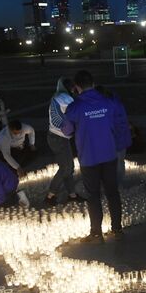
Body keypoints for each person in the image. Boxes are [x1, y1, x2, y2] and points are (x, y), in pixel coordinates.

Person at [62, 69, 127, 244]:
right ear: (93, 82)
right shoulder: (108, 101)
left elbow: (66, 131)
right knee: (113, 192)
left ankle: (96, 233)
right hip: (109, 154)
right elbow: (119, 123)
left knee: (93, 195)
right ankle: (117, 229)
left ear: (76, 87)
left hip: (89, 157)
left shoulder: (75, 107)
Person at [45, 77, 84, 207]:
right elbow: (75, 112)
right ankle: (50, 195)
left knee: (69, 167)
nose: (75, 90)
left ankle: (72, 194)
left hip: (59, 137)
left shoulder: (59, 96)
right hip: (58, 138)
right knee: (66, 168)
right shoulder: (64, 98)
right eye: (73, 88)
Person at [96, 85, 132, 184]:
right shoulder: (114, 103)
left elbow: (118, 123)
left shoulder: (110, 105)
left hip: (117, 138)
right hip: (118, 137)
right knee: (118, 162)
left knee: (118, 162)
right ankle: (116, 182)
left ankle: (117, 183)